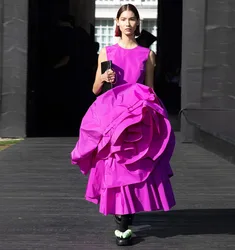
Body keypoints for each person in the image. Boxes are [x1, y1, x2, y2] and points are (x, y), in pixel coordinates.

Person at [71, 4, 176, 246]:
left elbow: (150, 90)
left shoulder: (147, 55)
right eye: (123, 19)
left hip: (137, 116)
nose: (128, 23)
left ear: (138, 24)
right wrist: (104, 78)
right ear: (117, 23)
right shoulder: (106, 52)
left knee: (134, 166)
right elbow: (95, 89)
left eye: (132, 19)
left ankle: (126, 216)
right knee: (115, 165)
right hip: (111, 115)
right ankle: (122, 220)